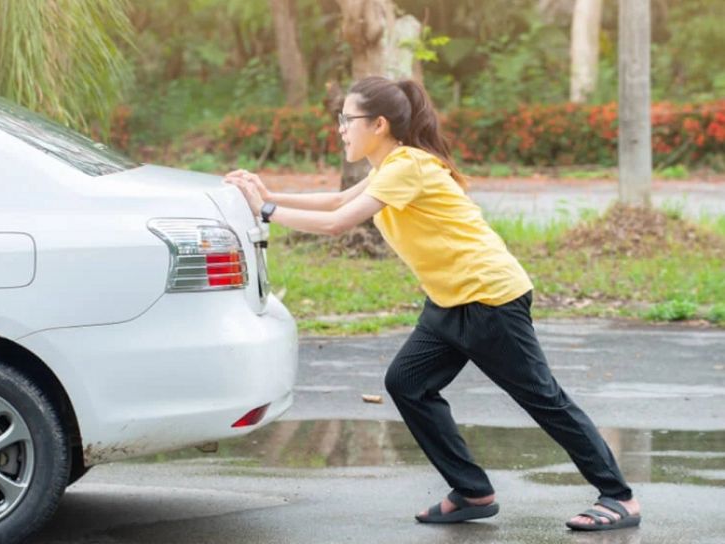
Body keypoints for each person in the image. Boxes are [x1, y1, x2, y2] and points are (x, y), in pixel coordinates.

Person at [223, 76, 641, 531]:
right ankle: (473, 492)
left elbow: (339, 222)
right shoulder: (389, 168)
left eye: (348, 119)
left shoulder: (407, 166)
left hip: (489, 297)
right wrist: (267, 195)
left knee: (543, 399)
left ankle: (619, 498)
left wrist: (263, 211)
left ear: (378, 124)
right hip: (450, 300)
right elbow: (339, 198)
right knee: (407, 382)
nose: (341, 128)